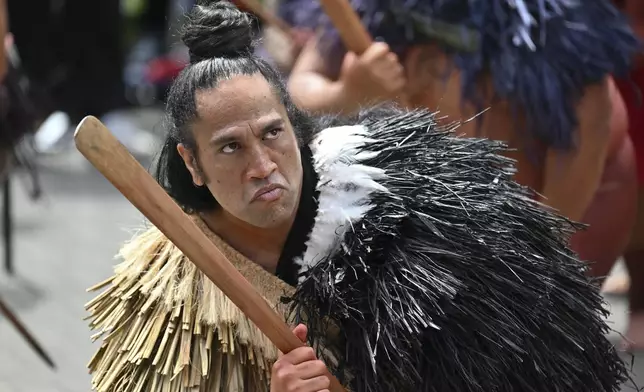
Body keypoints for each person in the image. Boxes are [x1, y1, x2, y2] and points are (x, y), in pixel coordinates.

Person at [85, 2, 634, 391]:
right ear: (192, 163)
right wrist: (351, 91)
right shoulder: (167, 294)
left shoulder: (420, 233)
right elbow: (305, 86)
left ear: (293, 130)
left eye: (273, 134)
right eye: (228, 148)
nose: (260, 166)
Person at [279, 0, 640, 293]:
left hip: (559, 211)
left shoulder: (554, 23)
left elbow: (586, 130)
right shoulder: (371, 8)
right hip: (416, 218)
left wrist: (539, 251)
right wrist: (346, 94)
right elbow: (302, 87)